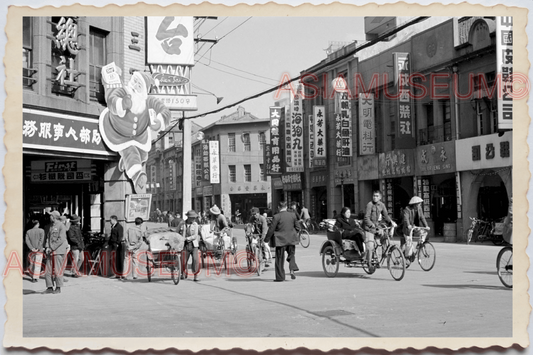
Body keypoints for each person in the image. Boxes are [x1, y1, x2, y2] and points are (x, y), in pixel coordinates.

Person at [265, 201, 300, 282]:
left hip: (280, 240)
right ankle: (292, 268)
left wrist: (266, 240)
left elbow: (271, 229)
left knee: (280, 259)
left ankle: (280, 277)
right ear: (286, 207)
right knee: (291, 255)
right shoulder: (292, 215)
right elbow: (298, 227)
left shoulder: (276, 217)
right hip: (291, 239)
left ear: (278, 207)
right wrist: (293, 233)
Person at [363, 190, 397, 264]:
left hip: (376, 226)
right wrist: (371, 224)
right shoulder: (370, 204)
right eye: (374, 196)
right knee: (370, 246)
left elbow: (386, 216)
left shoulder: (382, 205)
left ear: (380, 197)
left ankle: (384, 252)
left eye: (377, 196)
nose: (375, 197)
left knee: (385, 236)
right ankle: (369, 263)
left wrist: (391, 222)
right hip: (369, 228)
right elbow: (366, 218)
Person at [43, 211, 68, 294]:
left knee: (58, 270)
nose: (49, 217)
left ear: (54, 217)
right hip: (50, 251)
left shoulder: (61, 226)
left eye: (51, 216)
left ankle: (58, 287)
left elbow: (61, 239)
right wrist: (47, 247)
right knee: (48, 270)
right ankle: (49, 287)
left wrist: (52, 247)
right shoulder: (51, 226)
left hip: (58, 251)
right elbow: (48, 237)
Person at [179, 210, 200, 281]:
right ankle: (184, 273)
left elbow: (195, 235)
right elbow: (177, 232)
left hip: (194, 245)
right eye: (192, 218)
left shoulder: (195, 224)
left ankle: (196, 275)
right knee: (183, 260)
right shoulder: (182, 224)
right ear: (188, 217)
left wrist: (187, 238)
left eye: (194, 218)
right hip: (184, 245)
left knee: (195, 259)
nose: (193, 219)